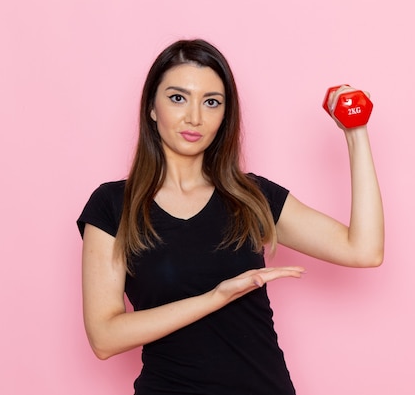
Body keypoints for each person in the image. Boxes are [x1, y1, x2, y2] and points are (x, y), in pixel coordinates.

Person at [77, 39, 384, 395]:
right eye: (178, 98)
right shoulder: (113, 205)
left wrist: (355, 133)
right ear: (152, 107)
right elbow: (104, 338)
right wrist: (217, 297)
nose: (195, 117)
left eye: (211, 102)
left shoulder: (251, 197)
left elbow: (363, 250)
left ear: (224, 115)